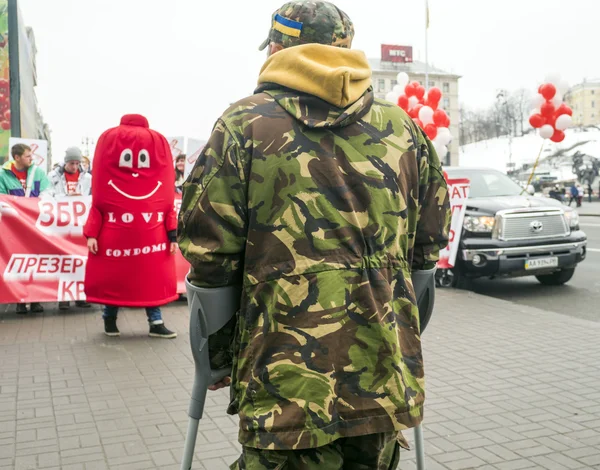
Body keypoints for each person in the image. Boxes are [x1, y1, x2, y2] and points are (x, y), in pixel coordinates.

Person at [178, 1, 451, 467]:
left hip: (283, 387)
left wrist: (218, 360)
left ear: (280, 46)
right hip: (381, 380)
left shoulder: (243, 125)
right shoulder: (403, 128)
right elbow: (428, 247)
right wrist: (403, 333)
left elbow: (211, 257)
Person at [84, 114, 179, 339]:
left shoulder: (110, 138)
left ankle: (155, 322)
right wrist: (91, 234)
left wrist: (172, 236)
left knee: (148, 278)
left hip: (146, 237)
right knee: (116, 278)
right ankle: (110, 318)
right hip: (125, 236)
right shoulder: (156, 141)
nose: (135, 170)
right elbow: (99, 206)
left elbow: (167, 207)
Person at [0, 143, 53, 314]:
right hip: (14, 228)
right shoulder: (3, 175)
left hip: (35, 225)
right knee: (18, 263)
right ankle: (20, 300)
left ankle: (36, 299)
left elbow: (47, 192)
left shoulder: (38, 173)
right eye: (28, 156)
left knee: (36, 262)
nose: (32, 159)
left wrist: (35, 205)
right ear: (17, 158)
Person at [48, 146, 93, 310]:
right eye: (71, 163)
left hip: (80, 222)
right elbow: (47, 195)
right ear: (65, 162)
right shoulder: (53, 177)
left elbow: (92, 197)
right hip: (62, 222)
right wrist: (66, 198)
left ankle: (80, 295)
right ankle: (64, 297)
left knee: (81, 259)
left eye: (77, 163)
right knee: (64, 259)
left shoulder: (87, 178)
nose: (74, 167)